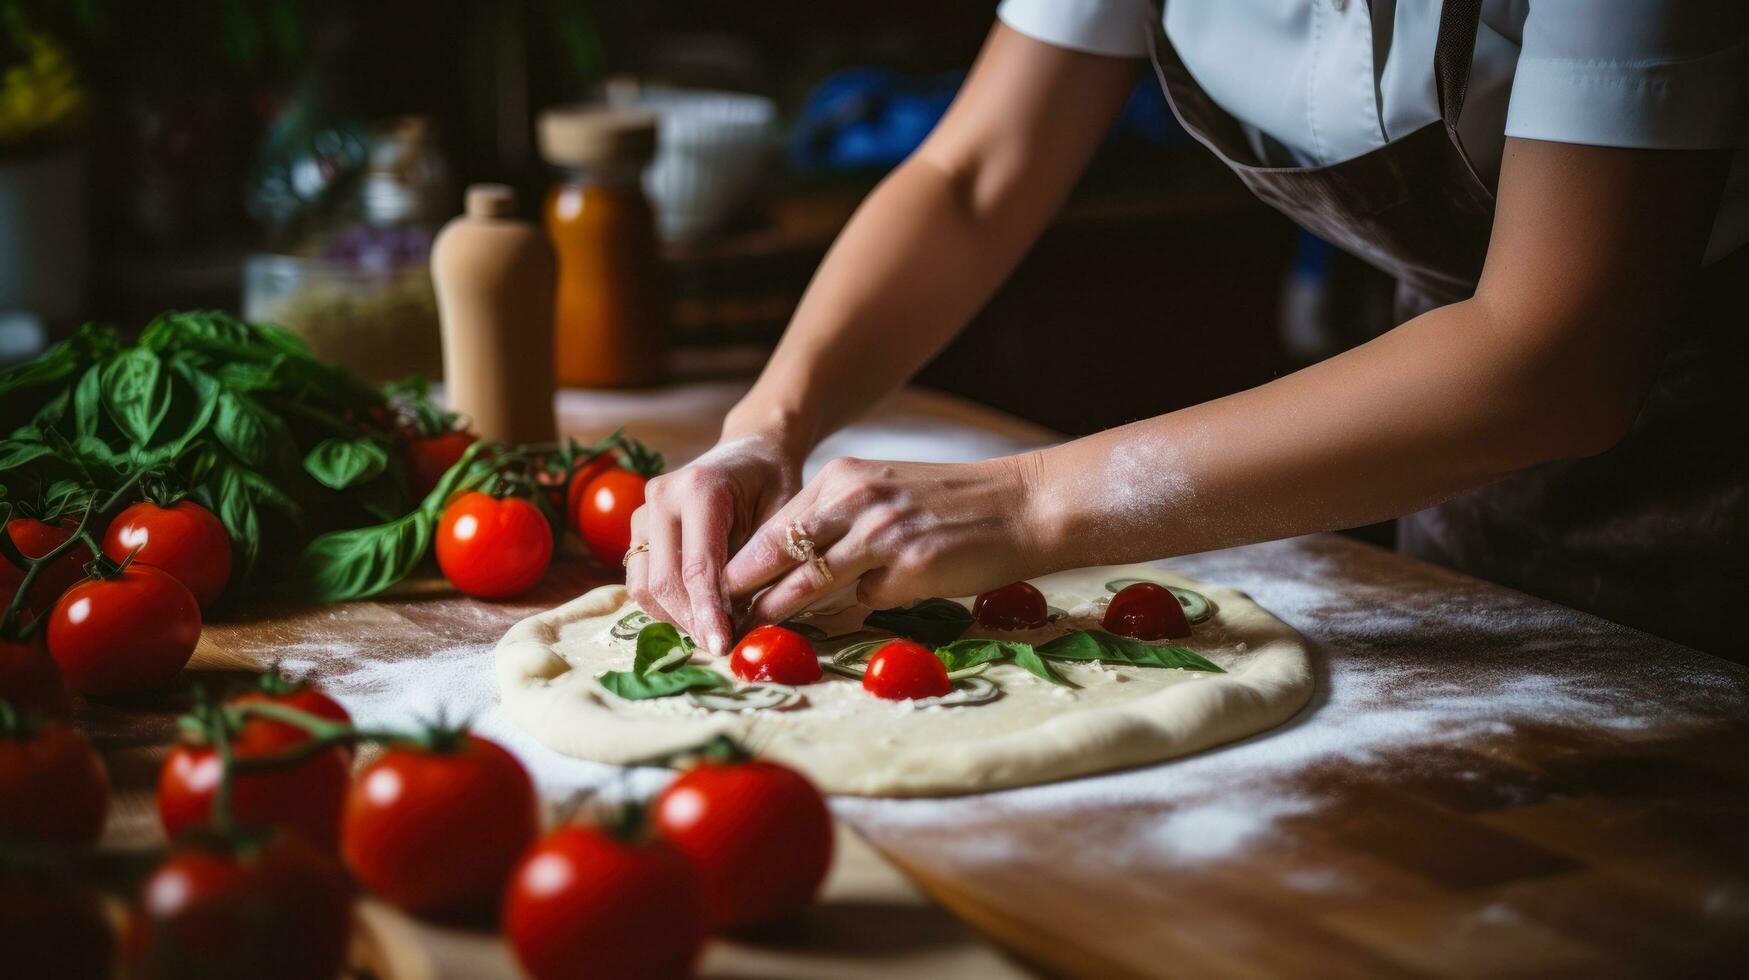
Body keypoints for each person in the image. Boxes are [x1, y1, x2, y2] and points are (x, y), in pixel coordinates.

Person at [626, 0, 1749, 659]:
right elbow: (973, 175)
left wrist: (1024, 502)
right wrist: (766, 424)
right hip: (1439, 434)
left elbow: (1556, 356)